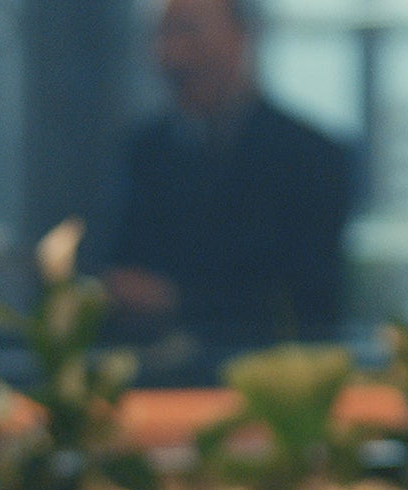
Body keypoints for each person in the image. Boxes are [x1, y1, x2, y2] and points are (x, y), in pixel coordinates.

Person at [102, 0, 357, 350]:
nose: (171, 55)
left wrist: (177, 300)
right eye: (162, 35)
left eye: (188, 32)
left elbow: (308, 299)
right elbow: (120, 260)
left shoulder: (310, 157)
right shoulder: (145, 151)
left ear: (242, 37)